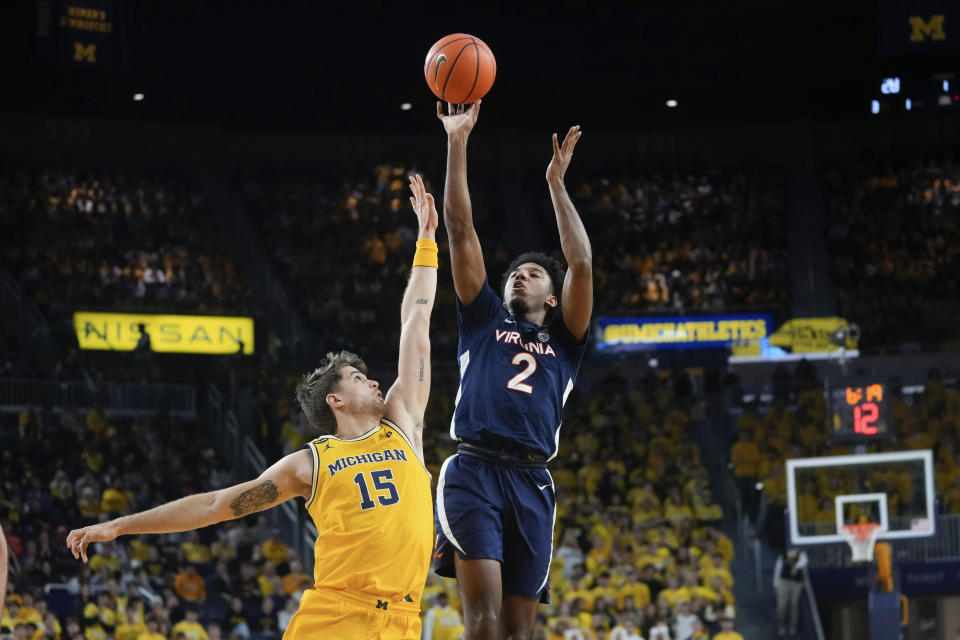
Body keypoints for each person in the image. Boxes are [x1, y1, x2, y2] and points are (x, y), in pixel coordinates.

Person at [66, 175, 441, 640]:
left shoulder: (403, 424)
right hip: (336, 618)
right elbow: (214, 505)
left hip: (404, 620)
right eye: (360, 378)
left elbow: (416, 322)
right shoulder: (311, 462)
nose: (376, 380)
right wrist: (120, 526)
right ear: (335, 399)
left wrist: (427, 244)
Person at [434, 99, 593, 640]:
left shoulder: (566, 341)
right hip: (474, 470)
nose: (519, 279)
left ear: (554, 299)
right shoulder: (482, 320)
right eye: (515, 275)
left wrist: (556, 184)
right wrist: (458, 141)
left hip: (533, 479)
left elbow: (582, 263)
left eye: (531, 274)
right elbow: (459, 228)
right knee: (481, 622)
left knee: (518, 632)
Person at [773, 548, 808, 637]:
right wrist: (776, 584)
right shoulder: (783, 553)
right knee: (781, 607)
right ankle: (781, 626)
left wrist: (796, 566)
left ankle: (793, 628)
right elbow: (778, 568)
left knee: (794, 605)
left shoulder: (801, 553)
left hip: (796, 583)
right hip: (783, 582)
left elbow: (805, 561)